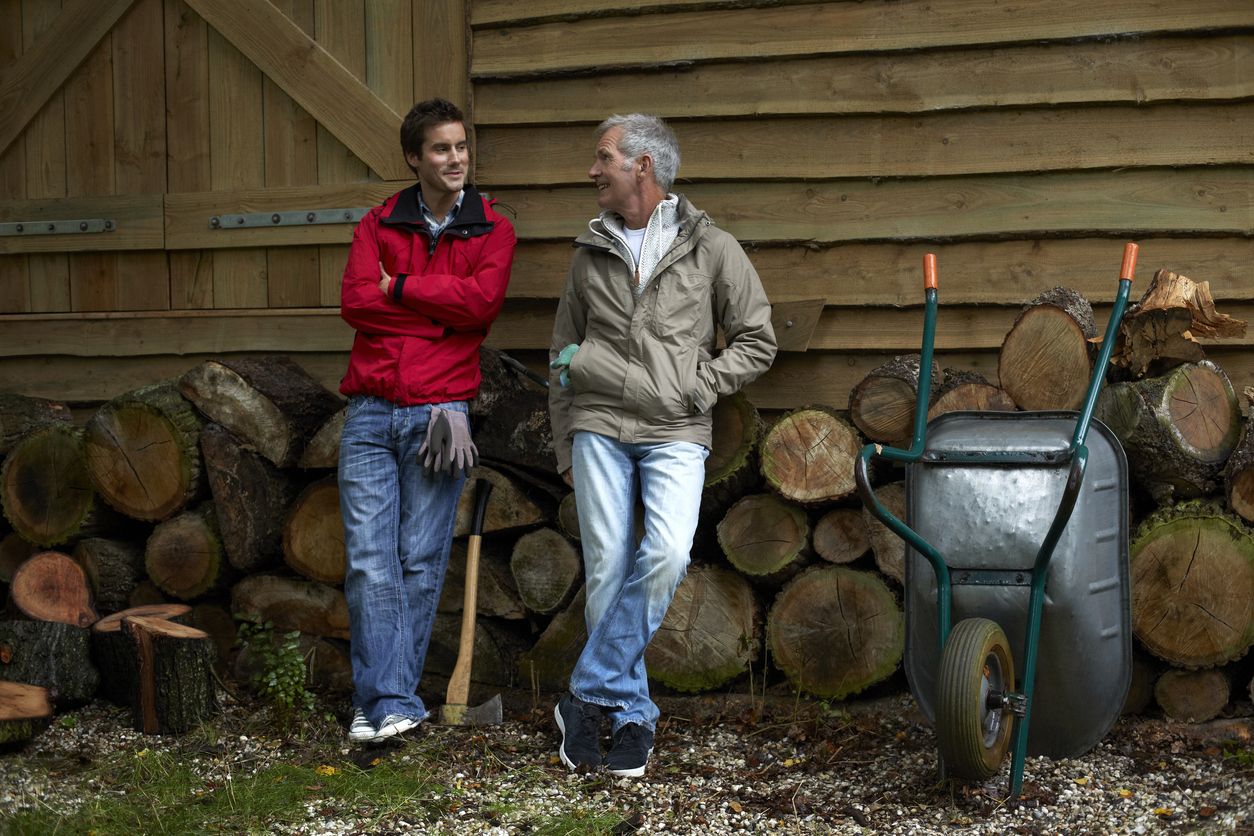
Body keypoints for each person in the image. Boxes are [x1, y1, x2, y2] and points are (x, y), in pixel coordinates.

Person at [547, 114, 777, 776]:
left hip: (676, 429)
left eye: (603, 158)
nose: (593, 170)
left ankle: (585, 693)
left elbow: (758, 337)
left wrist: (700, 387)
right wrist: (566, 444)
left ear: (642, 166)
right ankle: (631, 714)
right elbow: (562, 357)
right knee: (609, 568)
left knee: (668, 551)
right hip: (597, 427)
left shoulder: (712, 248)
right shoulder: (588, 251)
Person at [337, 98, 516, 743]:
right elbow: (357, 304)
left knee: (418, 557)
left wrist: (403, 289)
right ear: (415, 158)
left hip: (442, 416)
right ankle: (391, 700)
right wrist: (443, 316)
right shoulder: (378, 223)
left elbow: (483, 305)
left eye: (462, 147)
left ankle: (384, 701)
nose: (456, 159)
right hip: (370, 413)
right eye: (441, 149)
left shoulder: (491, 228)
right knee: (368, 561)